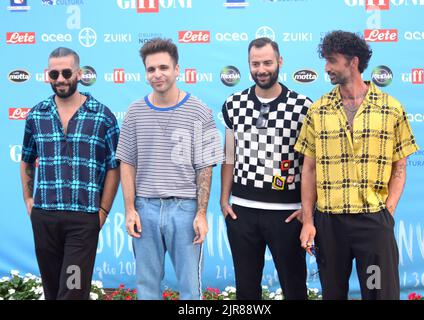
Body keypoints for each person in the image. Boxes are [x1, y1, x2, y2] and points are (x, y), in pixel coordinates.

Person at [295, 30, 419, 300]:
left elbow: (400, 168)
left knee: (378, 293)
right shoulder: (318, 110)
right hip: (329, 225)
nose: (326, 68)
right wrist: (308, 220)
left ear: (353, 62)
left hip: (373, 224)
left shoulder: (391, 109)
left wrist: (388, 212)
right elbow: (309, 170)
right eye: (325, 60)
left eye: (332, 60)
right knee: (334, 294)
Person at [116, 38, 223, 300]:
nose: (157, 74)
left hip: (184, 210)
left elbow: (205, 167)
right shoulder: (134, 111)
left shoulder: (199, 111)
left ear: (177, 70)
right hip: (145, 208)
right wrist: (130, 210)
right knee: (146, 287)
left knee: (190, 289)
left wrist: (201, 213)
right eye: (151, 69)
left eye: (163, 67)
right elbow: (127, 164)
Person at [20, 47, 120, 300]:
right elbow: (26, 160)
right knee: (53, 292)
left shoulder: (102, 116)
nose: (61, 79)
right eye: (55, 74)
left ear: (78, 73)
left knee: (73, 291)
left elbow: (114, 166)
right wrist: (29, 201)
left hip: (82, 221)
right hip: (45, 219)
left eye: (66, 72)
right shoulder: (36, 115)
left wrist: (103, 212)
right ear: (48, 75)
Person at [221, 37, 312, 300]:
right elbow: (229, 154)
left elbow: (311, 164)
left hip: (287, 215)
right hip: (242, 213)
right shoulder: (233, 103)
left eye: (268, 62)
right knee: (246, 291)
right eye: (255, 63)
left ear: (280, 62)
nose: (262, 69)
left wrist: (307, 208)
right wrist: (224, 199)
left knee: (295, 288)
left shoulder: (303, 106)